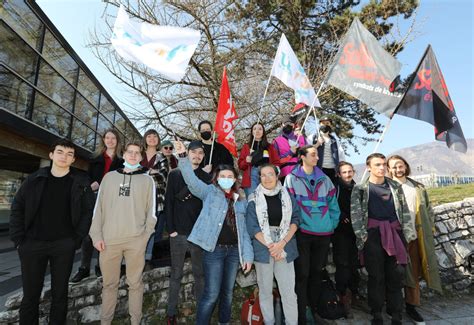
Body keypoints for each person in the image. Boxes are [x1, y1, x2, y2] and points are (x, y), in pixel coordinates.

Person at [10, 139, 95, 324]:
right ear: (51, 155)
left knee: (60, 294)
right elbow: (17, 207)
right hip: (32, 244)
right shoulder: (34, 179)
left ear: (73, 160)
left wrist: (77, 239)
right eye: (60, 152)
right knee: (30, 296)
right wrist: (18, 240)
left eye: (69, 154)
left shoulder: (81, 182)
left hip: (63, 245)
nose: (64, 157)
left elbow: (88, 211)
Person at [173, 139, 253, 325]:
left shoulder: (241, 200)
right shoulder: (209, 192)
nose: (226, 178)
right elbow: (191, 181)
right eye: (222, 175)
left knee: (228, 293)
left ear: (234, 179)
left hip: (234, 252)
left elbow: (245, 233)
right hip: (214, 251)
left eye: (229, 175)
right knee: (211, 294)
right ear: (217, 178)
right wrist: (183, 157)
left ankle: (223, 322)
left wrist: (247, 256)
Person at [89, 141, 156, 325]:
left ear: (142, 157)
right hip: (109, 241)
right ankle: (105, 322)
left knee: (135, 284)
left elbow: (152, 213)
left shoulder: (147, 180)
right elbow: (98, 210)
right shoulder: (109, 178)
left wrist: (144, 238)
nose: (133, 155)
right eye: (130, 152)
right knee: (109, 285)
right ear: (124, 154)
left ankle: (136, 321)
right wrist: (96, 235)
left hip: (136, 241)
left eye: (137, 153)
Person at [351, 153, 415, 325]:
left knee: (396, 275)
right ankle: (377, 313)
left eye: (384, 164)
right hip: (372, 237)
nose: (382, 168)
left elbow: (404, 210)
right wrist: (362, 237)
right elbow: (355, 214)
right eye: (377, 164)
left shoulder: (394, 185)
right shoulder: (360, 189)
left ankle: (395, 313)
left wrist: (407, 234)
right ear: (368, 167)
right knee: (376, 277)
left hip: (395, 234)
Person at [284, 145, 340, 324]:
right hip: (303, 233)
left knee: (317, 272)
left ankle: (315, 311)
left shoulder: (325, 179)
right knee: (302, 274)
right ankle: (302, 315)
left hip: (324, 233)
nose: (317, 157)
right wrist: (296, 225)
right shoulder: (291, 179)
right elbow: (288, 206)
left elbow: (333, 204)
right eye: (313, 154)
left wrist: (331, 224)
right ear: (302, 157)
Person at [387, 155, 442, 324]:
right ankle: (392, 307)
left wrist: (429, 227)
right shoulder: (387, 187)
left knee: (414, 273)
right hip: (395, 237)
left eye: (400, 165)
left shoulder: (418, 187)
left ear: (406, 166)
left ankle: (412, 306)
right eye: (394, 167)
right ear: (389, 169)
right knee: (393, 273)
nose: (398, 169)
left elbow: (429, 210)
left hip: (415, 236)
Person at [246, 163, 300, 325]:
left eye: (271, 174)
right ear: (259, 178)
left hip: (286, 244)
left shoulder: (287, 196)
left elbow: (296, 218)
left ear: (277, 176)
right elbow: (252, 226)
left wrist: (281, 243)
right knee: (265, 291)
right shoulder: (253, 199)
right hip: (263, 247)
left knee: (289, 292)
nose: (267, 178)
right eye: (263, 175)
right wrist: (272, 246)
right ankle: (269, 322)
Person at [165, 141, 211, 324]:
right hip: (178, 233)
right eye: (194, 152)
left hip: (198, 234)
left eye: (201, 153)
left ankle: (202, 310)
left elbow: (208, 206)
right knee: (176, 274)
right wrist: (171, 229)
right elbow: (169, 202)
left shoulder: (206, 177)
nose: (197, 156)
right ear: (187, 153)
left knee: (200, 274)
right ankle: (170, 312)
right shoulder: (175, 174)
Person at [71, 129, 123, 283]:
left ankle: (101, 266)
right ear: (104, 140)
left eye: (113, 138)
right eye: (107, 138)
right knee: (89, 234)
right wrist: (91, 184)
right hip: (94, 198)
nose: (110, 140)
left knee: (105, 234)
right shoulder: (95, 159)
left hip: (112, 199)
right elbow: (87, 177)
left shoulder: (122, 160)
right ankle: (84, 268)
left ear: (117, 141)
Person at [332, 161, 359, 318]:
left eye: (350, 171)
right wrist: (341, 216)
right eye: (344, 172)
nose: (348, 175)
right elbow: (331, 205)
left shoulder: (358, 188)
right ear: (338, 174)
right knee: (342, 264)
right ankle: (343, 296)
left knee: (354, 264)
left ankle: (354, 293)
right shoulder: (335, 188)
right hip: (340, 232)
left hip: (355, 231)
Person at [140, 129, 169, 266]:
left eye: (155, 136)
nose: (152, 138)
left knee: (151, 228)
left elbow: (163, 176)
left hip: (156, 197)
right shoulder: (138, 154)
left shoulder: (162, 157)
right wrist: (152, 172)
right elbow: (131, 171)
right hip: (138, 197)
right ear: (145, 138)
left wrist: (144, 171)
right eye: (149, 136)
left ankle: (147, 257)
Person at [238, 122, 279, 197]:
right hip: (252, 175)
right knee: (253, 199)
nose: (257, 131)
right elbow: (240, 166)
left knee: (267, 199)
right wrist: (246, 161)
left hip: (267, 174)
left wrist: (275, 172)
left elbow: (276, 162)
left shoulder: (270, 147)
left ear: (263, 132)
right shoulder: (246, 147)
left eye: (260, 129)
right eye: (255, 129)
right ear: (252, 132)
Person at [273, 114, 307, 181]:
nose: (288, 125)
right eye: (286, 123)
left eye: (290, 123)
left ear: (293, 125)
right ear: (281, 125)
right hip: (286, 175)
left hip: (303, 173)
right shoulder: (276, 141)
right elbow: (276, 161)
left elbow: (308, 154)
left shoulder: (300, 138)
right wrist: (290, 153)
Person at [312, 115, 345, 184]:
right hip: (319, 168)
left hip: (333, 170)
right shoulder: (313, 137)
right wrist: (317, 144)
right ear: (319, 124)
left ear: (330, 125)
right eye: (323, 123)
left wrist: (341, 169)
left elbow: (341, 155)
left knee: (332, 191)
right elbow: (306, 151)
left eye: (327, 123)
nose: (325, 125)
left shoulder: (335, 140)